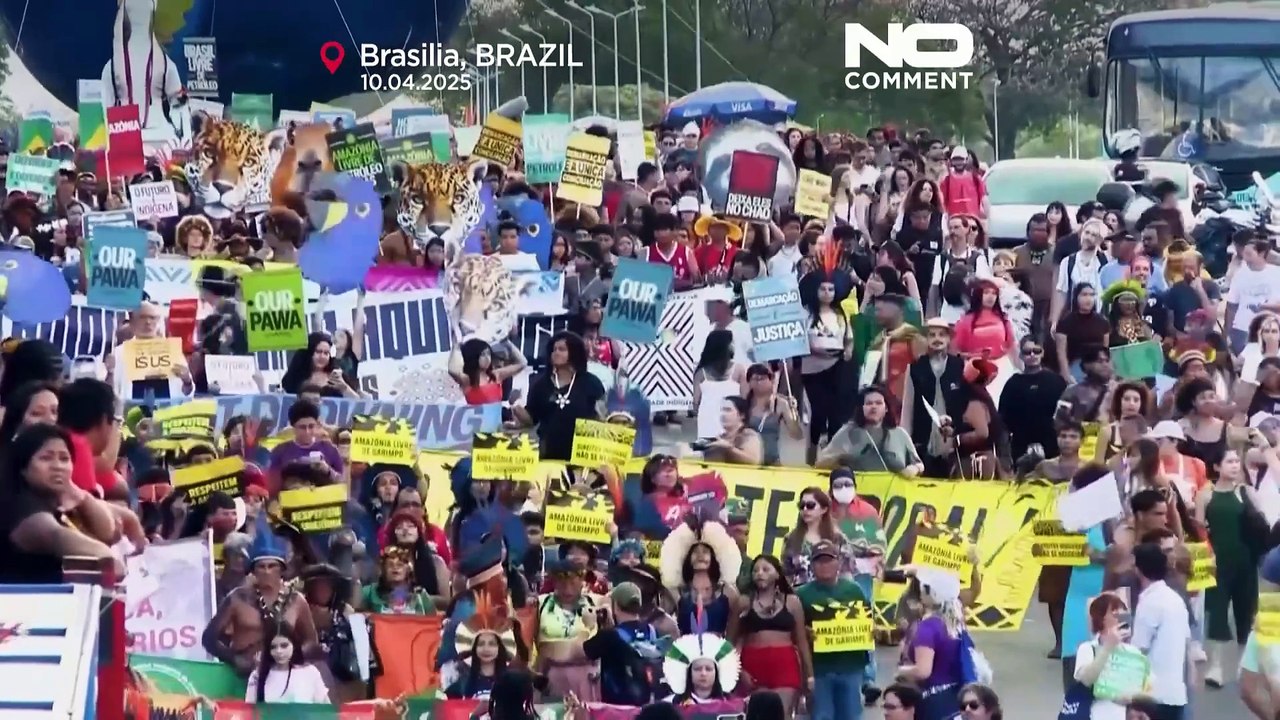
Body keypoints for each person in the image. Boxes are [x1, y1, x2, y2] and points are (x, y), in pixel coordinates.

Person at [0, 424, 123, 583]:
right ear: (23, 468)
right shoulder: (20, 506)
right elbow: (55, 535)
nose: (58, 466)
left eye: (64, 459)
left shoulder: (55, 499)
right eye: (46, 458)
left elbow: (107, 532)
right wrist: (108, 558)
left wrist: (81, 497)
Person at [202, 519, 319, 677]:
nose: (266, 571)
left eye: (272, 566)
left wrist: (290, 657)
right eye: (261, 567)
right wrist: (234, 659)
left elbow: (311, 641)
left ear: (281, 570)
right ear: (253, 570)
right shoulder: (238, 598)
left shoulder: (296, 600)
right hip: (244, 677)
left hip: (283, 676)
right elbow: (209, 638)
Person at [1194, 448, 1263, 686]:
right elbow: (1200, 529)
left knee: (1247, 614)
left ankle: (1245, 667)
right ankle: (1216, 667)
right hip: (1217, 562)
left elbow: (1262, 523)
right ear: (1216, 467)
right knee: (1218, 614)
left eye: (1237, 461)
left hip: (1245, 561)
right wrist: (1206, 556)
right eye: (1229, 461)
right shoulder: (1206, 495)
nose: (1235, 465)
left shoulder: (1246, 492)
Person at [796, 540, 873, 720]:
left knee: (851, 716)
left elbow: (868, 623)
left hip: (851, 667)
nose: (824, 565)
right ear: (812, 565)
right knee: (822, 716)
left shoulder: (854, 590)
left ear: (838, 562)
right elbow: (795, 632)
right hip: (820, 668)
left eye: (829, 560)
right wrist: (805, 632)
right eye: (819, 561)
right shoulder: (801, 594)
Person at [733, 555, 811, 714]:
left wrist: (810, 676)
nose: (760, 573)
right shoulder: (744, 602)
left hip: (785, 664)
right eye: (755, 571)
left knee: (782, 713)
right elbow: (731, 642)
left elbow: (802, 642)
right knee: (757, 714)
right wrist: (739, 671)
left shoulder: (792, 602)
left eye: (765, 569)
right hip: (752, 665)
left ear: (777, 574)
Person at [512, 331, 606, 460]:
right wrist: (516, 408)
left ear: (574, 353)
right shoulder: (541, 384)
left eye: (562, 349)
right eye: (554, 349)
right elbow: (532, 419)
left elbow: (602, 416)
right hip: (548, 454)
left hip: (583, 456)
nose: (556, 353)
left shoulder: (591, 383)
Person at [900, 319, 969, 477]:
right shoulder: (915, 367)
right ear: (926, 339)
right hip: (923, 442)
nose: (937, 339)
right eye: (932, 335)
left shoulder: (960, 365)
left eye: (941, 335)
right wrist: (906, 444)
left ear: (948, 339)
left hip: (954, 444)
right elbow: (908, 407)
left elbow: (967, 404)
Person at [1130, 542, 1191, 720]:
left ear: (1139, 569)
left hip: (1152, 696)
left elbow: (1138, 650)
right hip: (1176, 694)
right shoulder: (1175, 599)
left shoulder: (1150, 603)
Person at [583, 581, 663, 706]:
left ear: (616, 606)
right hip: (647, 707)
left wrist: (589, 626)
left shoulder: (608, 636)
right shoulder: (652, 631)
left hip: (617, 709)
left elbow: (584, 652)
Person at [817, 385, 923, 474]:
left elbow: (919, 464)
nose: (873, 407)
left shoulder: (900, 434)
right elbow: (820, 463)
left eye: (878, 403)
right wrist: (843, 456)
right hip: (859, 494)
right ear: (861, 408)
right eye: (869, 403)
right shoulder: (847, 432)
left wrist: (915, 469)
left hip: (895, 495)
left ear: (886, 408)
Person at [999, 337, 1068, 460]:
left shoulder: (1056, 381)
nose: (1032, 355)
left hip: (1052, 442)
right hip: (1021, 444)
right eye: (1027, 352)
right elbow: (1003, 420)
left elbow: (1066, 414)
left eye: (1036, 351)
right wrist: (1004, 453)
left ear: (1042, 353)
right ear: (1020, 355)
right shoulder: (1012, 383)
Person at [1072, 592, 1139, 720]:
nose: (1120, 618)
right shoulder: (1087, 649)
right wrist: (1108, 647)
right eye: (1115, 613)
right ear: (1101, 618)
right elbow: (1086, 680)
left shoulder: (1132, 652)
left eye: (1123, 613)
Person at [245, 621, 330, 703]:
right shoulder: (257, 676)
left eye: (284, 646)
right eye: (273, 647)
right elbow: (249, 712)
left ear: (294, 645)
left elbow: (325, 711)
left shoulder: (310, 672)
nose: (279, 651)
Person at [267, 399, 344, 487]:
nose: (307, 432)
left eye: (311, 426)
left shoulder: (329, 449)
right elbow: (272, 485)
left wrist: (327, 470)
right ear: (293, 428)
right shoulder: (280, 450)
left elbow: (342, 483)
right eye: (302, 427)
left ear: (317, 425)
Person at [448, 337, 527, 406]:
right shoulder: (468, 380)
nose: (487, 358)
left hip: (496, 421)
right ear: (473, 356)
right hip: (477, 421)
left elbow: (522, 363)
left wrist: (507, 343)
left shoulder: (495, 375)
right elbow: (452, 370)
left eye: (489, 354)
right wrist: (456, 347)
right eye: (483, 355)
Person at [280, 331, 360, 398]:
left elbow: (357, 404)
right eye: (318, 352)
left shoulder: (336, 376)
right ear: (309, 353)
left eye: (326, 353)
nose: (322, 357)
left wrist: (344, 388)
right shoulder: (295, 377)